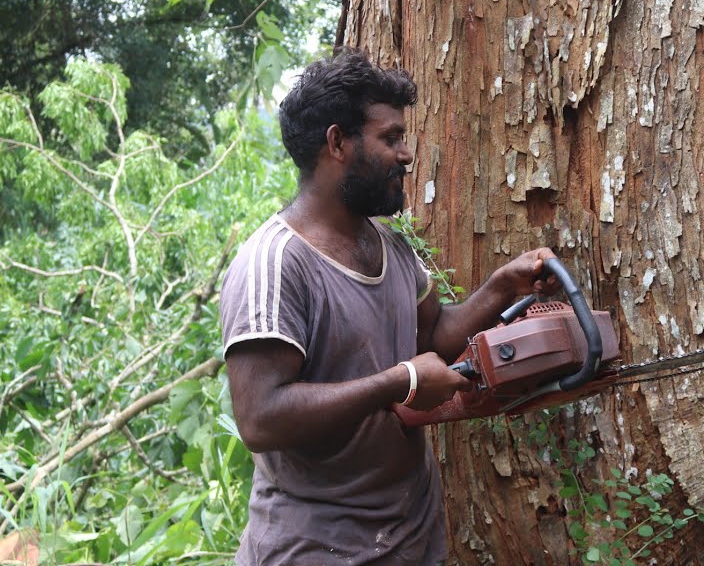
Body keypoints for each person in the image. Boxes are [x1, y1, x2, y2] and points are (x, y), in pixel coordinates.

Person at [219, 49, 557, 565]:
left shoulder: (391, 246)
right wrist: (399, 381)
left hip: (409, 541)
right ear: (337, 143)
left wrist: (501, 288)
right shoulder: (275, 263)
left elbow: (433, 335)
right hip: (315, 549)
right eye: (390, 138)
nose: (406, 154)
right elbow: (261, 420)